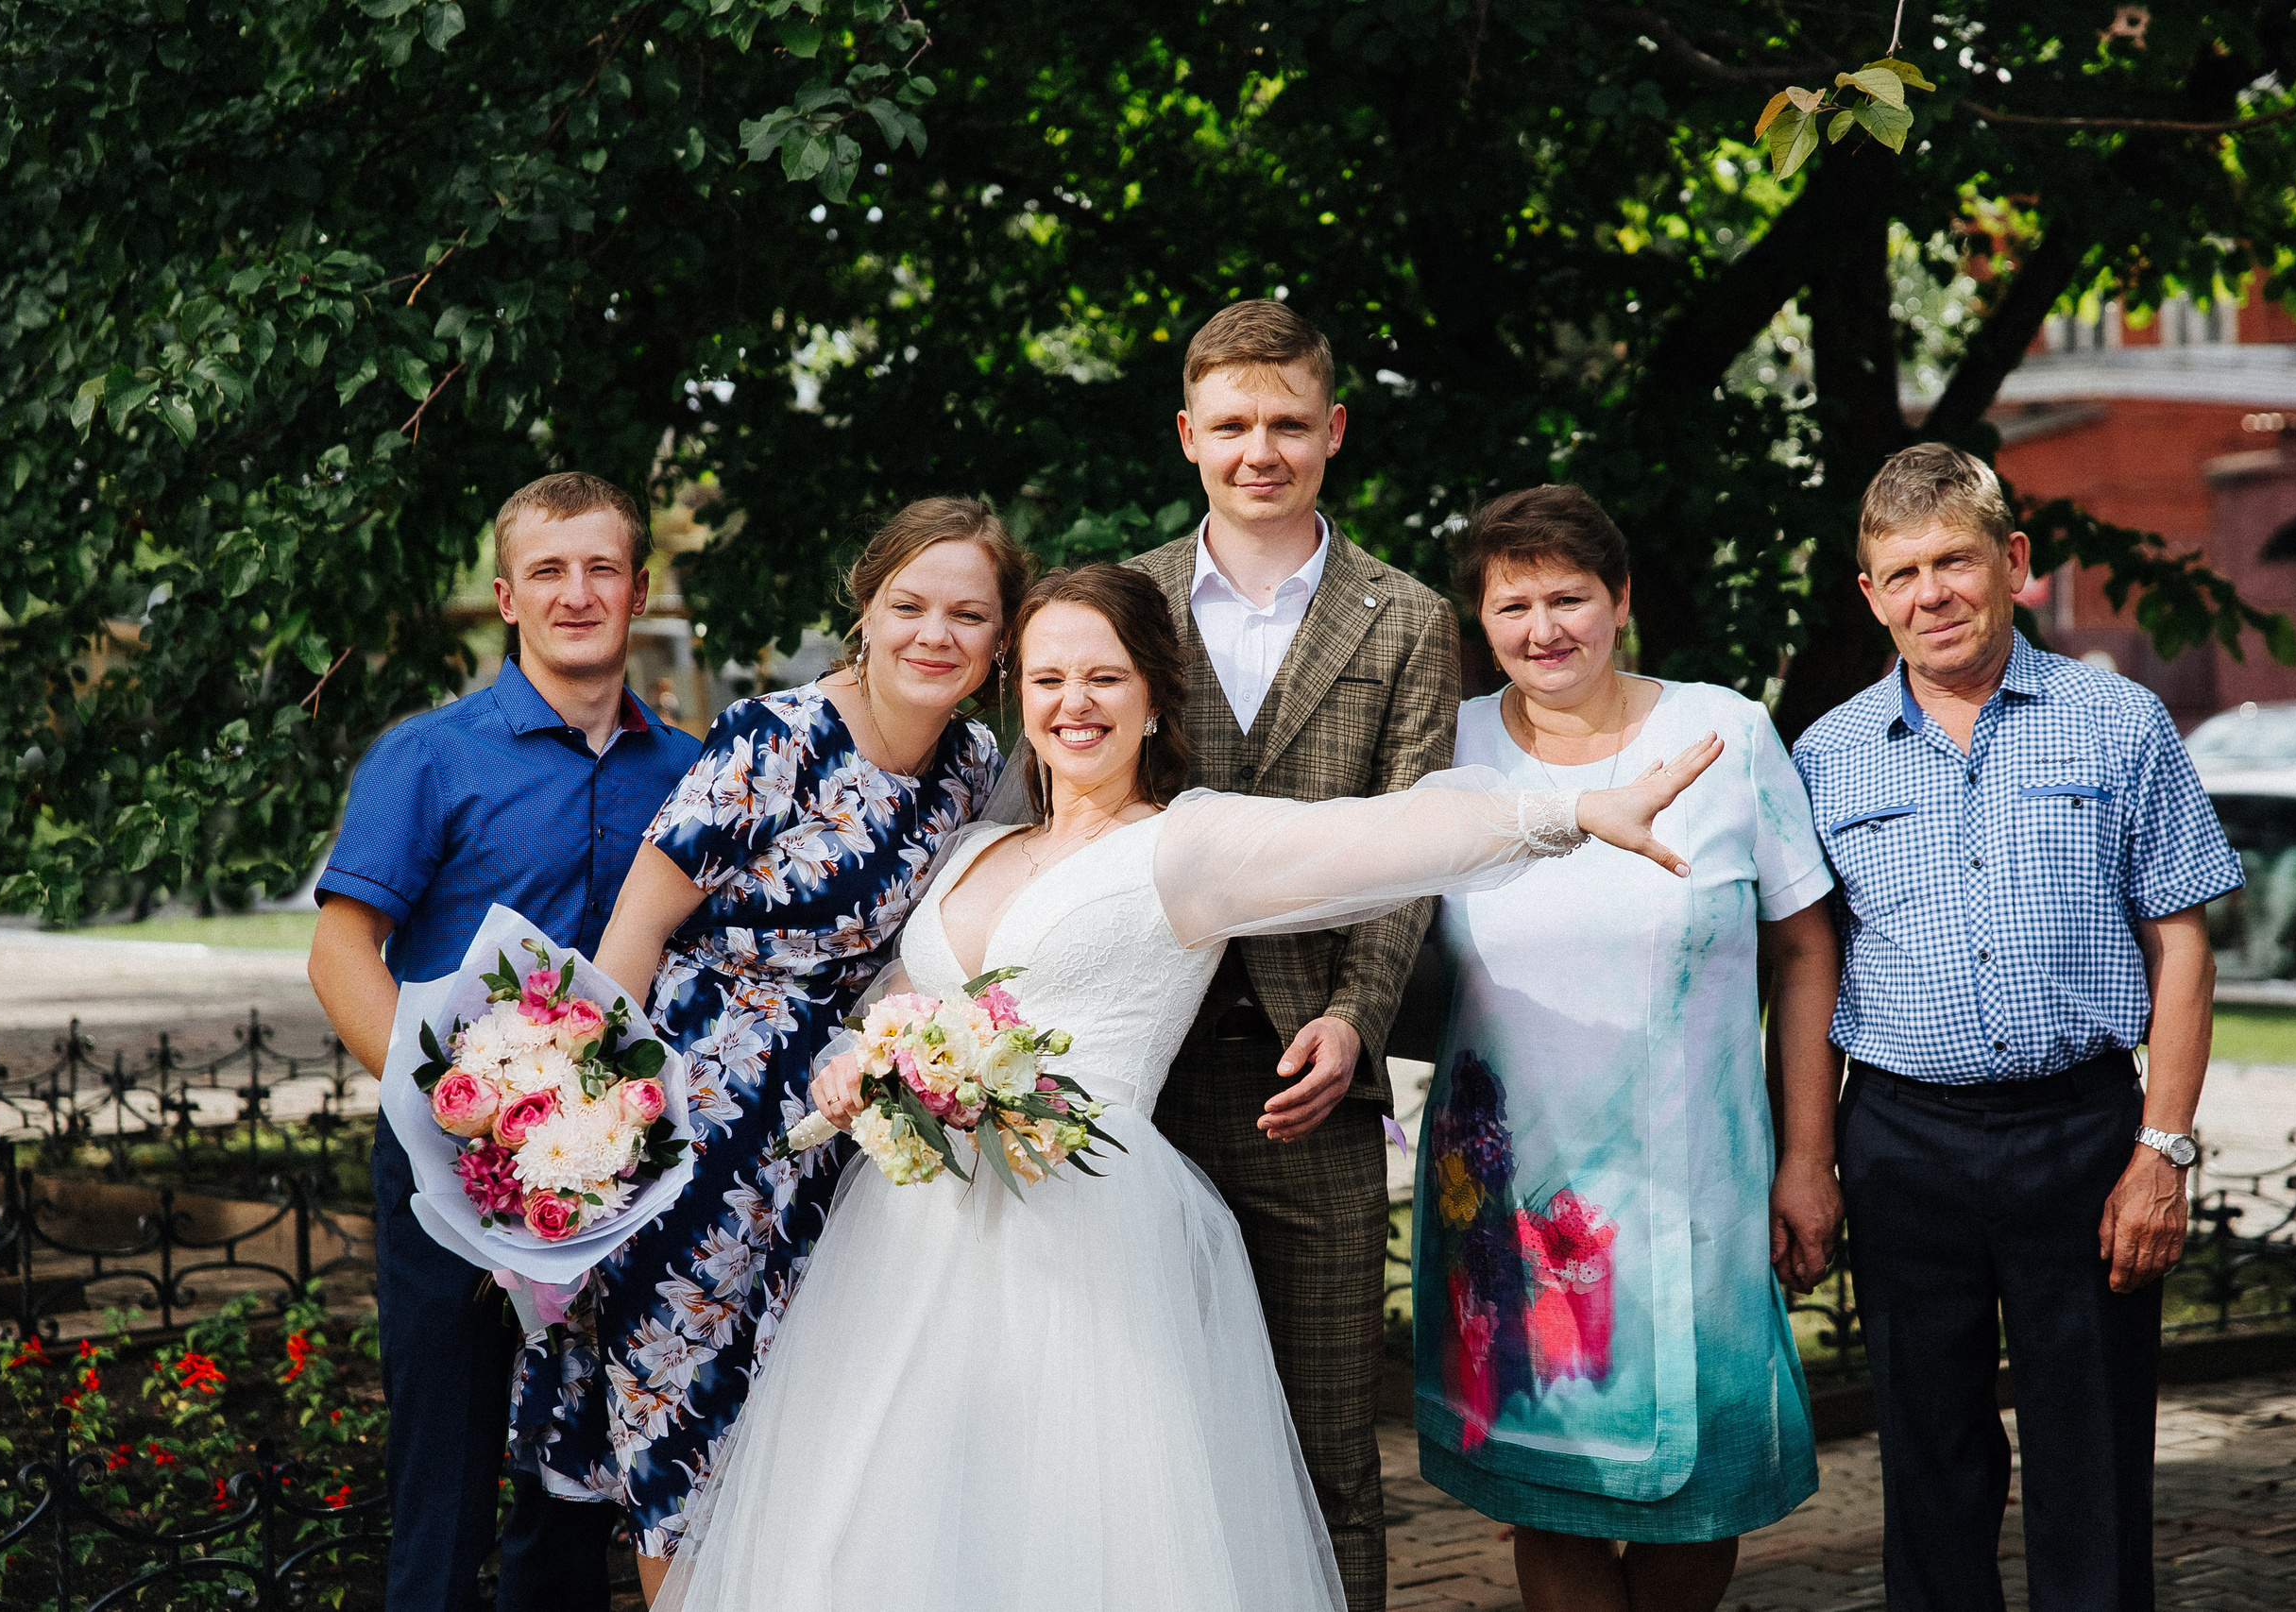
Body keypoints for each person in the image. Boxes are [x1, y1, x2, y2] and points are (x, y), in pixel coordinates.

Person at [650, 563, 1726, 1612]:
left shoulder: (1186, 844)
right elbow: (897, 995)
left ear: (1156, 698)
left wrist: (1573, 815)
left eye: (1105, 678)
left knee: (1072, 1527)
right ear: (1016, 695)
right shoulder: (975, 842)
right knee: (884, 1518)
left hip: (1081, 1234)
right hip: (905, 1239)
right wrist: (859, 1059)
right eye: (1047, 679)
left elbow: (1378, 836)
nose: (1074, 705)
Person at [511, 498, 1024, 1602]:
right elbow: (636, 933)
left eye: (967, 614)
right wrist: (597, 1134)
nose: (935, 634)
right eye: (910, 606)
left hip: (837, 1132)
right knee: (679, 1424)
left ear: (998, 640)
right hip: (696, 1114)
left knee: (807, 1429)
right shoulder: (774, 738)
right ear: (867, 610)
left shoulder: (975, 763)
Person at [1791, 444, 2239, 1612]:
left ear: (2014, 562)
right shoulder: (1824, 757)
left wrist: (2162, 1150)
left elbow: (2180, 948)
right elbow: (1805, 972)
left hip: (2081, 1136)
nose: (1930, 593)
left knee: (2091, 1459)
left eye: (1954, 561)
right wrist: (1805, 1161)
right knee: (1927, 1462)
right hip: (1899, 1139)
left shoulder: (2118, 721)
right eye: (1900, 573)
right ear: (1869, 596)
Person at [1412, 485, 1844, 1612]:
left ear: (1622, 601)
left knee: (1700, 1484)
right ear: (1480, 618)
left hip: (1694, 1182)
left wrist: (1808, 1157)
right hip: (1509, 1192)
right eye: (1514, 604)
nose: (1543, 628)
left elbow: (1802, 949)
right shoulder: (1448, 755)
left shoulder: (1723, 734)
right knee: (1545, 1490)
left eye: (1570, 597)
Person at [307, 471, 702, 1612]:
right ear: (506, 597)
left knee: (574, 1486)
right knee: (444, 1470)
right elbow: (343, 954)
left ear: (637, 590)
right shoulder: (426, 758)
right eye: (548, 571)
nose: (576, 593)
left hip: (617, 1184)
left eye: (600, 570)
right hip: (453, 1177)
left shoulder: (687, 775)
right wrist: (451, 1129)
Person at [1131, 300, 1459, 1611]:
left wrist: (1353, 1021)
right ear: (1188, 435)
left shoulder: (1409, 617)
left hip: (1314, 1085)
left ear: (1331, 429)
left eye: (1284, 422)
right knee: (1154, 1439)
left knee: (1331, 1448)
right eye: (1230, 424)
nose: (1257, 448)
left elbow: (1411, 851)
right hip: (1139, 1078)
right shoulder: (1122, 604)